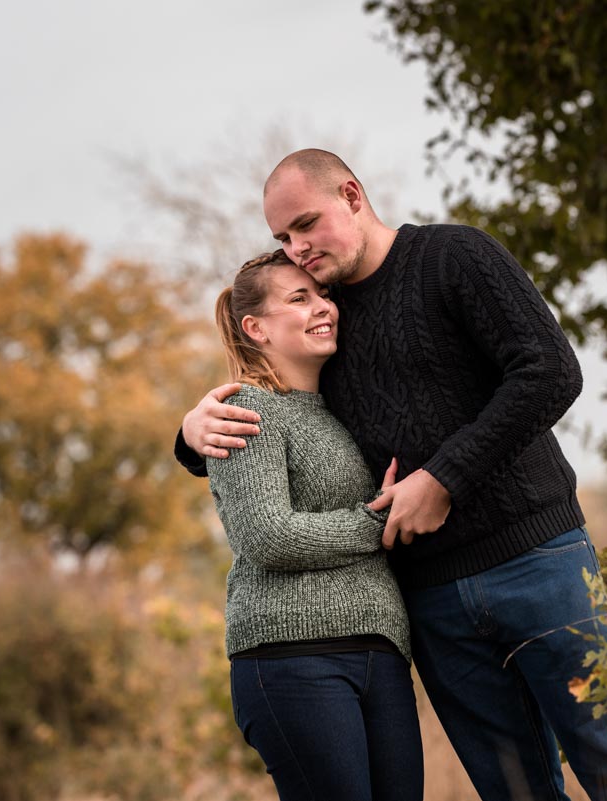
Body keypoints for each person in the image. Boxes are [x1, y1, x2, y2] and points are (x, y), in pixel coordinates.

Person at [179, 149, 607, 801]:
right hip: (433, 600)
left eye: (306, 225)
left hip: (538, 562)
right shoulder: (328, 322)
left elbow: (552, 371)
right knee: (515, 790)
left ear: (352, 195)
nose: (298, 249)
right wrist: (191, 436)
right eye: (283, 239)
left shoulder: (455, 257)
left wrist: (442, 477)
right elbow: (283, 415)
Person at [207, 250, 422, 801]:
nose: (323, 306)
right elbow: (267, 537)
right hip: (292, 658)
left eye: (323, 295)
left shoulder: (342, 411)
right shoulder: (244, 411)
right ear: (255, 328)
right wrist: (380, 521)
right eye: (299, 298)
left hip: (380, 652)